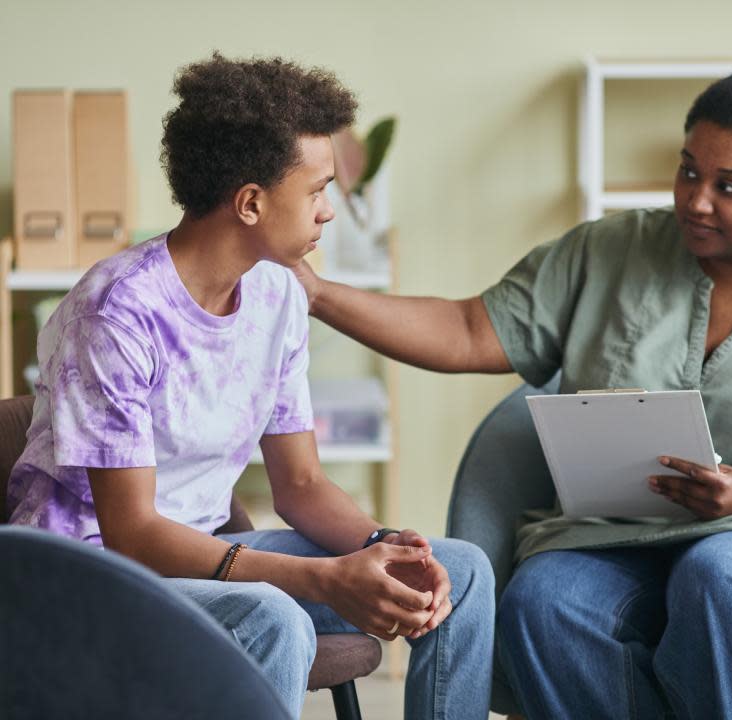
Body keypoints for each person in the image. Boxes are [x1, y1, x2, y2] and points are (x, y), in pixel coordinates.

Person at [293, 47, 732, 719]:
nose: (696, 200)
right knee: (547, 601)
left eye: (730, 186)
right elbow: (467, 329)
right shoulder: (609, 250)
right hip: (614, 534)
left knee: (717, 575)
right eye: (688, 171)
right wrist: (316, 295)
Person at [6, 53, 494, 720]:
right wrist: (323, 577)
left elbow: (301, 486)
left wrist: (388, 547)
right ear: (251, 202)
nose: (327, 213)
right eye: (317, 191)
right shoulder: (116, 312)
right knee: (273, 618)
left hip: (203, 551)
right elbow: (133, 533)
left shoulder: (278, 294)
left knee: (459, 571)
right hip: (89, 573)